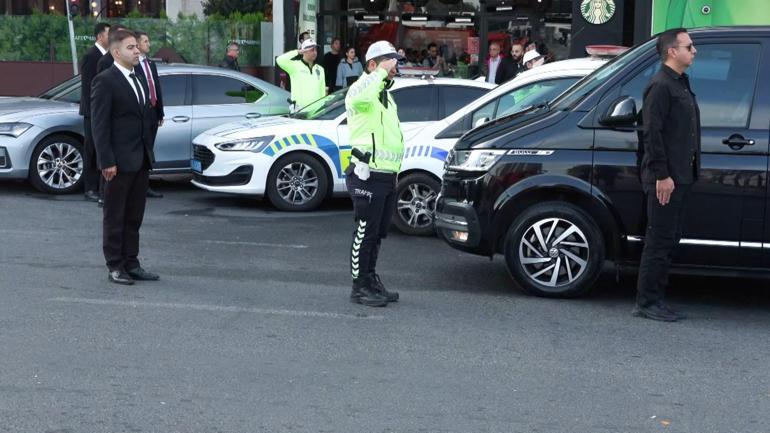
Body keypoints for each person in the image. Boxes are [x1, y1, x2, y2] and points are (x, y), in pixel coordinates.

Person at [634, 28, 700, 322]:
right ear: (673, 51)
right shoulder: (660, 85)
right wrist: (662, 175)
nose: (694, 51)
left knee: (669, 239)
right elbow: (652, 133)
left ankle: (657, 299)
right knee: (659, 241)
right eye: (689, 46)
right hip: (666, 179)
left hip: (681, 176)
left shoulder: (680, 82)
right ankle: (647, 303)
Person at [91, 29, 159, 285]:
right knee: (115, 216)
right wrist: (106, 161)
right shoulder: (105, 81)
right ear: (116, 52)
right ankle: (115, 266)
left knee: (134, 216)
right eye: (131, 47)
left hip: (140, 159)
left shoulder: (138, 77)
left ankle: (132, 262)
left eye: (136, 47)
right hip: (117, 163)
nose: (137, 51)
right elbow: (100, 125)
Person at [344, 40, 404, 307]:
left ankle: (370, 279)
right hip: (366, 174)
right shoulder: (360, 89)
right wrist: (379, 72)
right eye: (389, 62)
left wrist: (395, 172)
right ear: (372, 64)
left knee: (377, 234)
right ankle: (359, 288)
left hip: (386, 175)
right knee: (364, 232)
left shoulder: (386, 96)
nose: (394, 68)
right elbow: (360, 97)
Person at [79, 22, 110, 203]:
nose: (111, 37)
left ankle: (100, 186)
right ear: (100, 36)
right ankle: (89, 188)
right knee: (91, 149)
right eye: (108, 34)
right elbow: (88, 87)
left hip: (101, 111)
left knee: (100, 149)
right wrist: (94, 112)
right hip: (93, 112)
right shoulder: (91, 56)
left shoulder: (106, 56)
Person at [134, 31, 165, 199]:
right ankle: (136, 186)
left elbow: (156, 87)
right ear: (137, 44)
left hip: (153, 112)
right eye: (146, 41)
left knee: (149, 150)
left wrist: (160, 112)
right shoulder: (133, 64)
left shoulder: (150, 64)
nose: (149, 44)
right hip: (141, 113)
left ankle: (145, 185)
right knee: (140, 149)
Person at [276, 38, 326, 111]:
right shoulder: (295, 66)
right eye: (312, 50)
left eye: (316, 50)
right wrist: (298, 52)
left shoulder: (320, 69)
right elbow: (279, 60)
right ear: (304, 51)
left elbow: (322, 91)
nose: (315, 52)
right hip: (299, 110)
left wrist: (322, 108)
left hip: (316, 111)